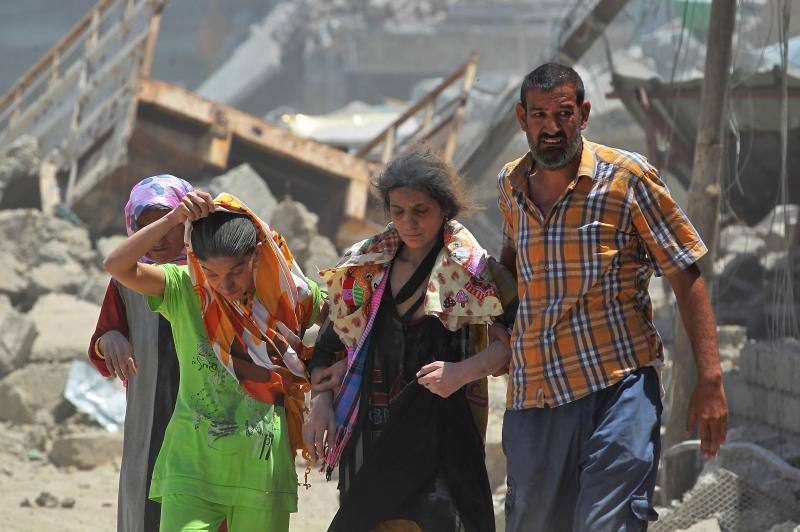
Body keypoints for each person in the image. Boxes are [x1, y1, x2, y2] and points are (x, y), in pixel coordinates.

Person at [496, 62, 729, 531]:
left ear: (583, 114)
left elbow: (687, 274)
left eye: (562, 114)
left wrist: (711, 377)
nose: (551, 128)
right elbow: (511, 264)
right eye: (539, 116)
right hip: (536, 395)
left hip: (617, 387)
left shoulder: (626, 179)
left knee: (609, 524)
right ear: (523, 119)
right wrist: (497, 324)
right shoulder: (511, 185)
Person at [304, 148, 514, 532]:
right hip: (371, 430)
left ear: (444, 208)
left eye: (421, 211)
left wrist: (462, 372)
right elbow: (328, 347)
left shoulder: (475, 271)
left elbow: (516, 342)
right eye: (398, 211)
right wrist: (320, 403)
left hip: (442, 434)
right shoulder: (364, 267)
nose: (409, 222)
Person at [103, 190, 323, 532]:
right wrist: (174, 218)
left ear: (257, 257)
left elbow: (344, 323)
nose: (224, 285)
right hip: (190, 468)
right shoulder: (183, 288)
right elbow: (116, 266)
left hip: (261, 470)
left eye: (236, 271)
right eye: (212, 273)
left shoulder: (288, 294)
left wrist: (327, 374)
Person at [88, 174, 191, 532]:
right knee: (144, 509)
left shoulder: (212, 274)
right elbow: (101, 340)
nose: (160, 239)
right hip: (147, 418)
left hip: (202, 416)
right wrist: (111, 338)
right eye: (147, 229)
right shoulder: (127, 280)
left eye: (168, 226)